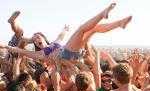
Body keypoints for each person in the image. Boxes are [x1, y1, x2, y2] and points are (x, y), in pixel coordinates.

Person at [1, 3, 132, 63]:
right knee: (82, 28)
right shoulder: (39, 54)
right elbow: (22, 51)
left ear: (44, 38)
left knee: (93, 29)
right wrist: (6, 47)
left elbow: (61, 36)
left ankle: (119, 24)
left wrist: (65, 29)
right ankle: (103, 13)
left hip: (73, 53)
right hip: (66, 55)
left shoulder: (55, 43)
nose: (36, 39)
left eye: (37, 37)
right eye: (34, 40)